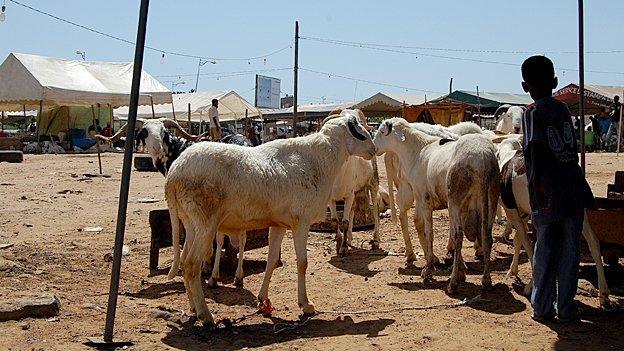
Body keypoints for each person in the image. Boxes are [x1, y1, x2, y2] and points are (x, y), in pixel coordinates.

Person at [520, 55, 596, 323]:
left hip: (547, 194)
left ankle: (542, 308)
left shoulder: (530, 114)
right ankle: (565, 308)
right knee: (570, 253)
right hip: (572, 190)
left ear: (524, 86)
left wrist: (538, 189)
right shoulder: (564, 110)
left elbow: (536, 149)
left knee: (544, 252)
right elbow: (569, 150)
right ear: (554, 81)